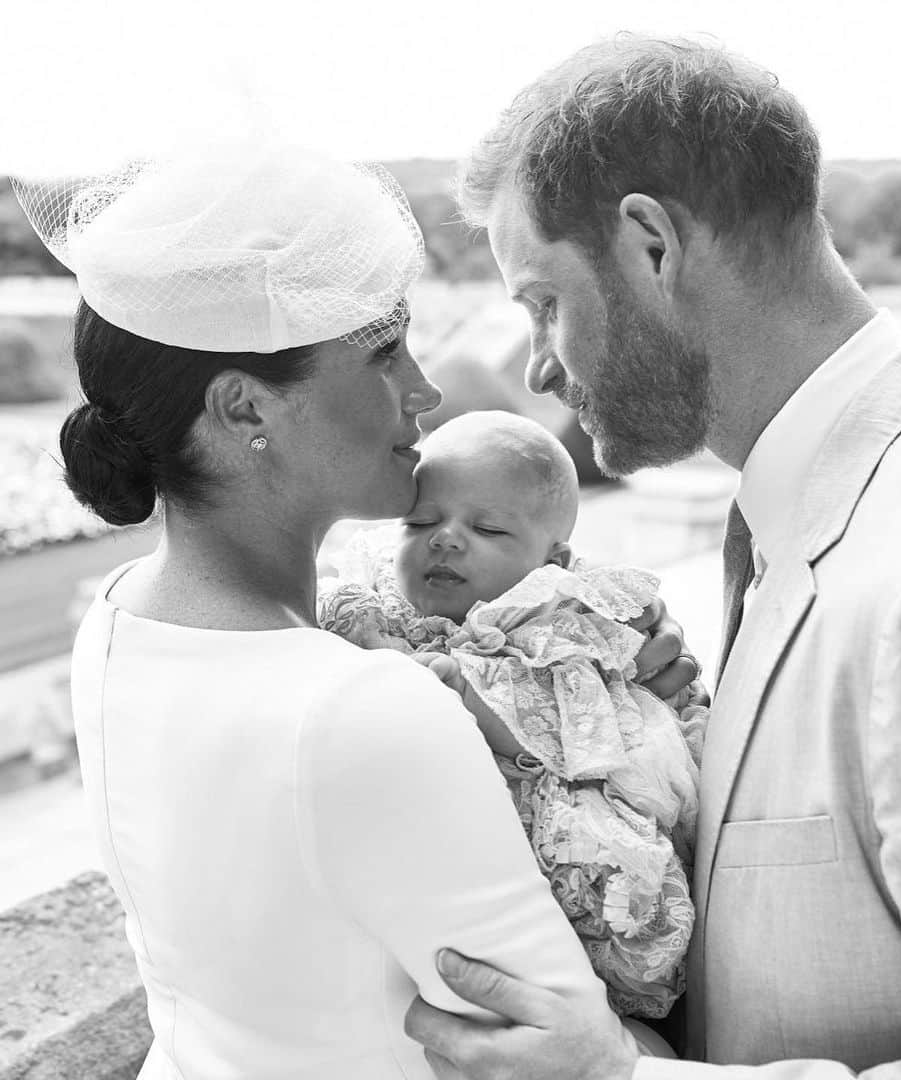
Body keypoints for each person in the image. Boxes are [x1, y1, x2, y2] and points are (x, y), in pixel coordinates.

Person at [402, 35, 901, 1080]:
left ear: (652, 248)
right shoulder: (798, 515)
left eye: (544, 302)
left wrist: (619, 1078)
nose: (538, 364)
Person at [14, 140, 695, 1079]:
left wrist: (587, 667)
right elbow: (575, 1051)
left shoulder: (122, 619)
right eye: (383, 355)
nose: (423, 391)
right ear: (245, 405)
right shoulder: (369, 707)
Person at [319, 409, 707, 1020]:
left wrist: (453, 690)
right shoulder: (374, 599)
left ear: (553, 559)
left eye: (490, 530)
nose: (445, 538)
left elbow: (554, 725)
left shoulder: (551, 623)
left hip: (552, 818)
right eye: (420, 521)